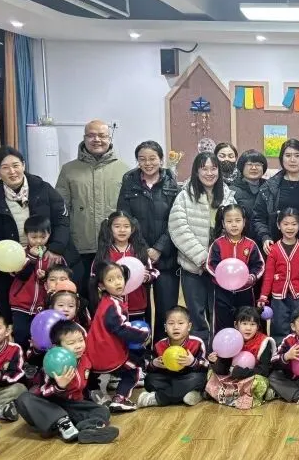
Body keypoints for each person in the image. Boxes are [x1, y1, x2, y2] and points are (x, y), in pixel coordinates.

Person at [0, 146, 78, 325]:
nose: (12, 171)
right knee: (14, 311)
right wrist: (8, 260)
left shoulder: (43, 188)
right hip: (15, 262)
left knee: (56, 306)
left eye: (16, 165)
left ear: (23, 165)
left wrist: (56, 248)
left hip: (49, 255)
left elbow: (62, 220)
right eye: (5, 168)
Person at [253, 139, 299, 339]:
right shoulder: (269, 187)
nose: (292, 160)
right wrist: (265, 237)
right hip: (278, 253)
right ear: (281, 159)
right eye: (288, 155)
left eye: (297, 155)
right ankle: (278, 347)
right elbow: (258, 217)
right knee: (278, 308)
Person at [55, 120, 129, 300]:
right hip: (80, 246)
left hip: (114, 246)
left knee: (113, 297)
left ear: (109, 138)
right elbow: (60, 209)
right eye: (91, 135)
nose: (97, 140)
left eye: (102, 135)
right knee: (82, 296)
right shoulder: (69, 170)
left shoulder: (124, 169)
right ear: (84, 138)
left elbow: (129, 211)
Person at [15, 320, 120, 444]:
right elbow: (42, 392)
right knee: (24, 398)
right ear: (57, 347)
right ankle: (63, 425)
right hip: (52, 407)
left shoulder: (85, 360)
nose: (78, 345)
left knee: (102, 410)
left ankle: (89, 429)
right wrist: (59, 386)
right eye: (71, 343)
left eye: (81, 340)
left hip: (72, 405)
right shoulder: (52, 363)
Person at [117, 141, 181, 343]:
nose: (148, 163)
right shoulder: (129, 183)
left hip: (167, 258)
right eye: (142, 159)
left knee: (166, 308)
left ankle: (162, 348)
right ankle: (141, 350)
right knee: (139, 308)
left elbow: (176, 221)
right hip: (137, 258)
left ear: (161, 160)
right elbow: (125, 220)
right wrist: (143, 249)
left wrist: (159, 248)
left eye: (152, 158)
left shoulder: (172, 185)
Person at [170, 152, 235, 345]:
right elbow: (178, 228)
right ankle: (199, 352)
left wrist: (216, 261)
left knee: (219, 312)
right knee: (196, 314)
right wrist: (202, 258)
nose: (209, 173)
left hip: (221, 268)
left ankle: (218, 351)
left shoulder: (228, 195)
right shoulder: (184, 196)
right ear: (196, 171)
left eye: (213, 168)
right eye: (204, 169)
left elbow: (234, 227)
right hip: (193, 266)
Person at [86, 261, 150, 412]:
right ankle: (120, 399)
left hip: (94, 352)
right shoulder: (113, 304)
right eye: (110, 280)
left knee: (95, 374)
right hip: (107, 352)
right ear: (102, 286)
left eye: (119, 277)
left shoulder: (105, 301)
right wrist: (142, 335)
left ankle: (93, 392)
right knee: (134, 369)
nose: (117, 282)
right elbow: (120, 328)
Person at [89, 210, 158, 324]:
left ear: (132, 229)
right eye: (117, 226)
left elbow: (154, 271)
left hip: (137, 306)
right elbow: (94, 276)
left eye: (126, 226)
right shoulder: (104, 254)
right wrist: (103, 285)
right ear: (110, 229)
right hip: (112, 307)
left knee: (137, 333)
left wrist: (147, 277)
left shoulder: (139, 252)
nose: (122, 230)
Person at [258, 209, 299, 341]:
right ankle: (280, 350)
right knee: (278, 325)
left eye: (294, 224)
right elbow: (269, 275)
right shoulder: (273, 249)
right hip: (278, 297)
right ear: (278, 225)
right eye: (285, 224)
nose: (290, 228)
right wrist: (263, 296)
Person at [207, 205, 265, 334]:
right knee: (222, 324)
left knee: (246, 323)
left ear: (244, 222)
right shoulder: (217, 244)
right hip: (222, 292)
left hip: (245, 292)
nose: (234, 225)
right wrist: (223, 278)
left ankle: (248, 346)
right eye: (229, 221)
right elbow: (211, 265)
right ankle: (221, 346)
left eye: (238, 220)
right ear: (223, 224)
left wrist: (252, 277)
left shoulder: (251, 244)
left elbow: (259, 265)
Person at [205, 307, 277, 409]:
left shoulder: (264, 342)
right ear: (236, 325)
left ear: (257, 326)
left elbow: (264, 370)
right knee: (211, 373)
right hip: (232, 375)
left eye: (252, 324)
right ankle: (235, 396)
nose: (248, 328)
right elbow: (224, 369)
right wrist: (216, 362)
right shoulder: (230, 339)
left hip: (251, 377)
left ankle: (226, 396)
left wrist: (243, 372)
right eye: (244, 323)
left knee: (260, 382)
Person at [137, 306, 209, 408]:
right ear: (165, 327)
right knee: (149, 380)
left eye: (180, 323)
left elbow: (206, 366)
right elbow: (148, 368)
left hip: (188, 377)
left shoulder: (197, 343)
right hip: (168, 378)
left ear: (189, 326)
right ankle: (189, 394)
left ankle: (159, 398)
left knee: (199, 379)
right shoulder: (159, 345)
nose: (176, 327)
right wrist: (154, 364)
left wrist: (193, 362)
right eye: (171, 323)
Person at [8, 215, 54, 347]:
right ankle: (21, 357)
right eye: (34, 237)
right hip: (21, 305)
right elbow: (19, 275)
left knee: (41, 337)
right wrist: (32, 257)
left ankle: (36, 358)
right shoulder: (20, 253)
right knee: (21, 334)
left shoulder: (52, 256)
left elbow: (58, 278)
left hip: (43, 306)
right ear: (26, 235)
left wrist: (45, 277)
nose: (38, 241)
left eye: (43, 237)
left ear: (49, 234)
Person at [0, 311, 25, 421]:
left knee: (20, 389)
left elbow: (17, 374)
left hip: (4, 388)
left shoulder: (15, 349)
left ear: (7, 331)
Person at [230, 150, 268, 238]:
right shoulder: (232, 190)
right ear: (242, 167)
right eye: (249, 164)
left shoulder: (269, 187)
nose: (254, 168)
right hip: (241, 240)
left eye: (258, 164)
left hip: (267, 239)